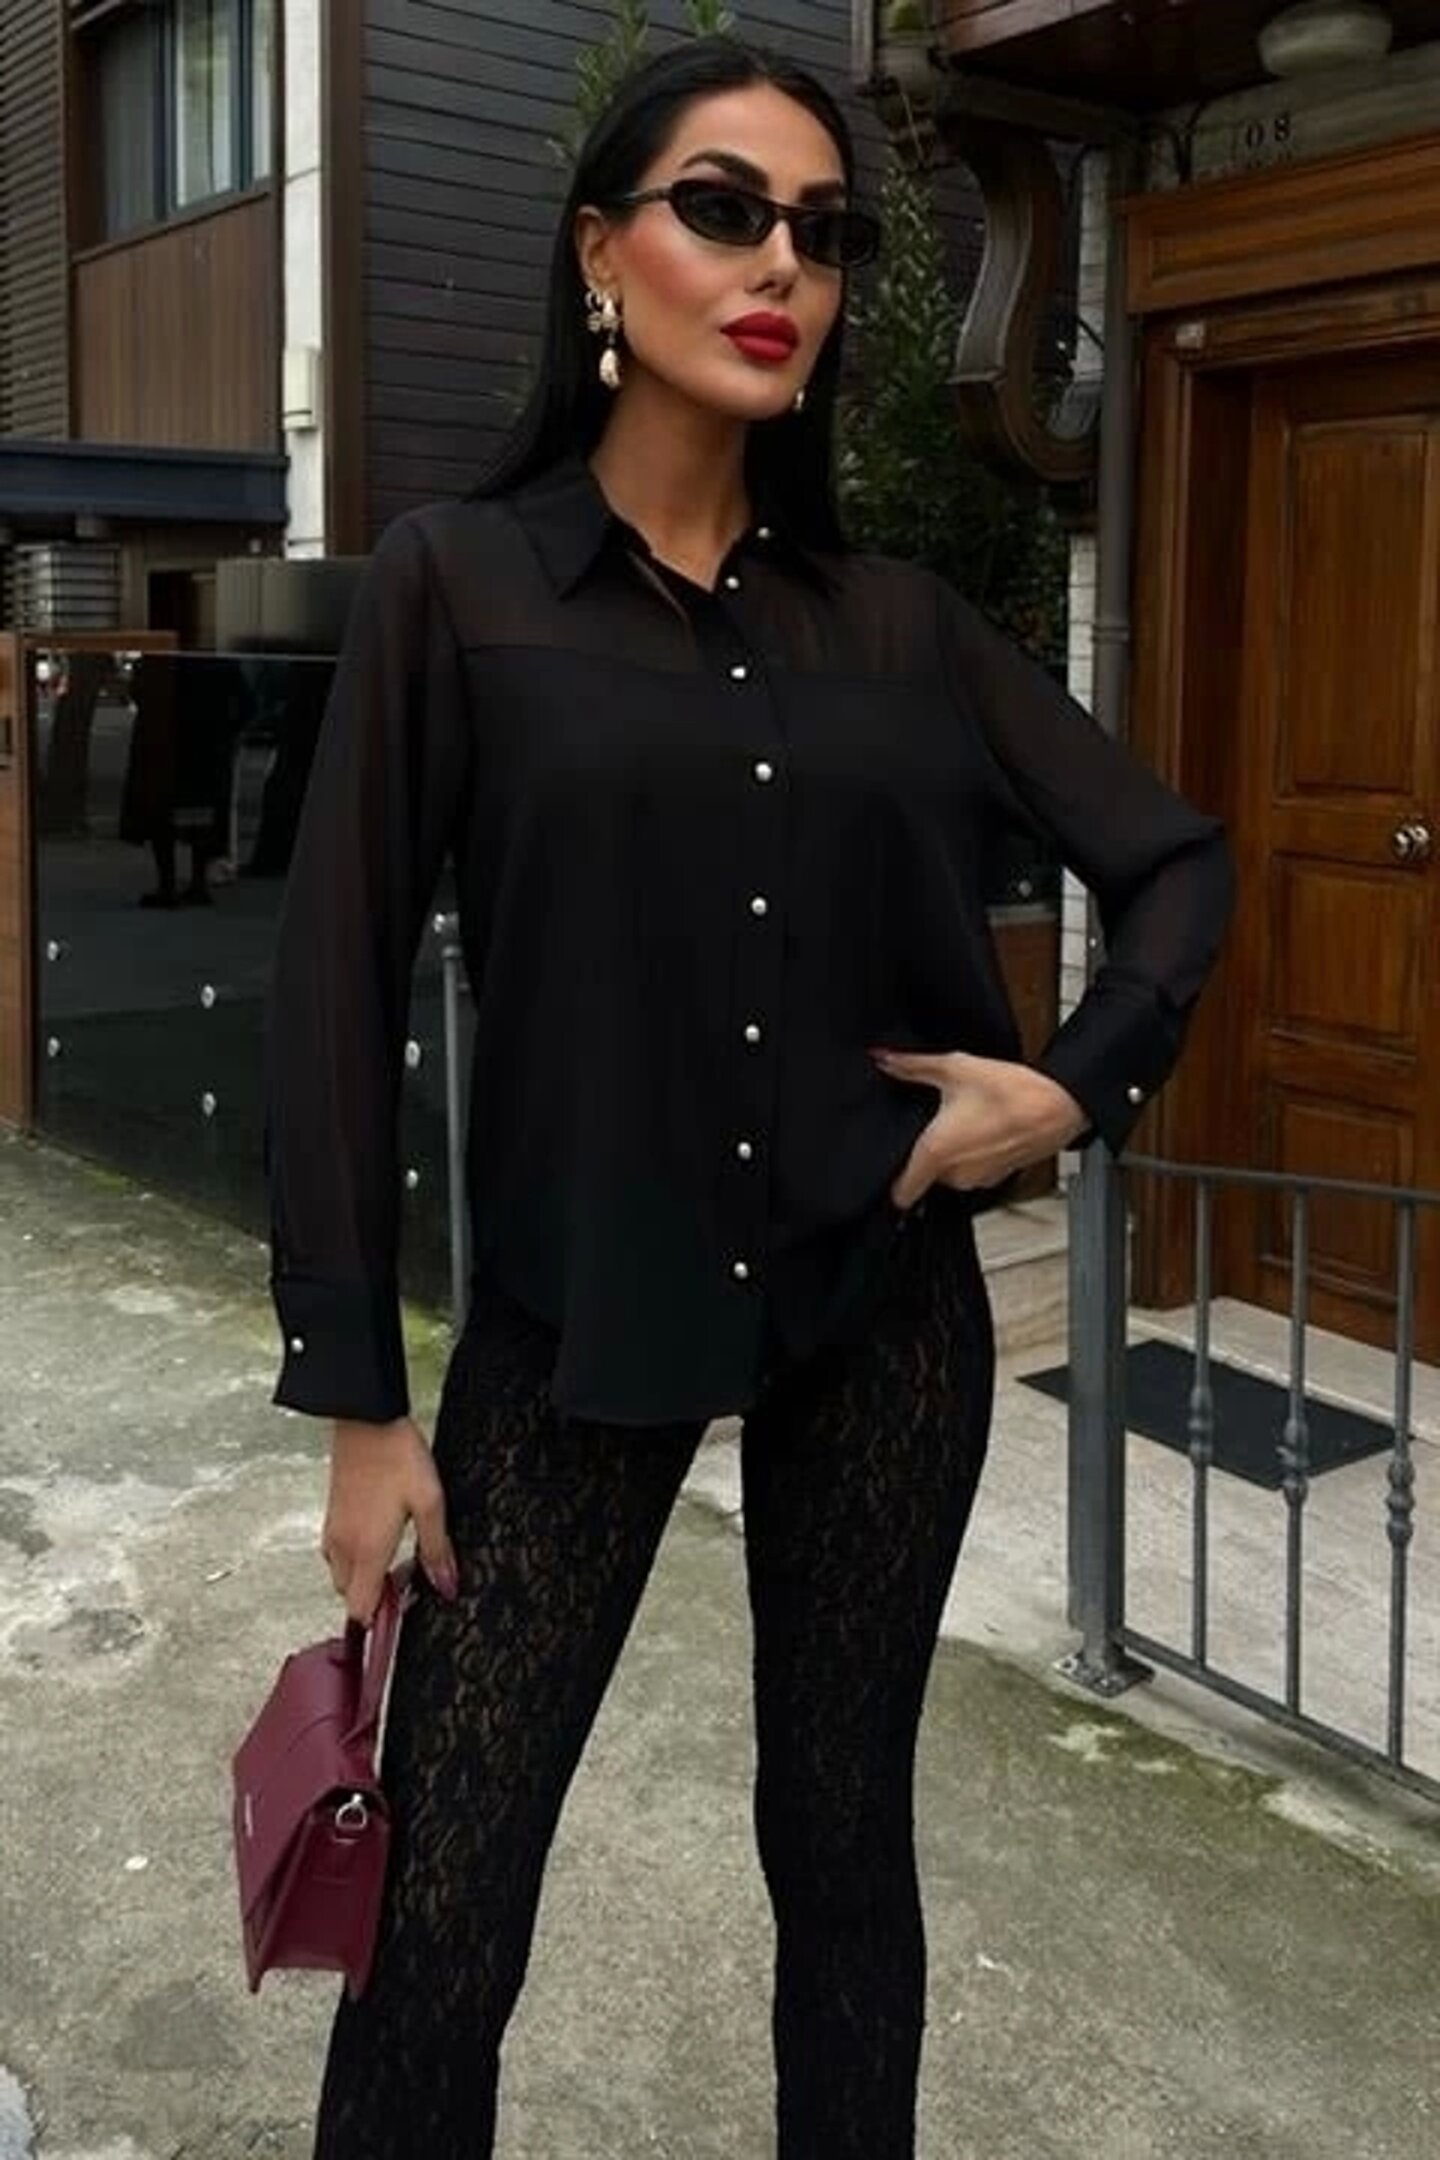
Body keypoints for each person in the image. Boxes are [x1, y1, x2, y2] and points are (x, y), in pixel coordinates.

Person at [263, 35, 1233, 2158]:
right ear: (601, 253)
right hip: (575, 1316)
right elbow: (331, 986)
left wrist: (1070, 1091)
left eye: (823, 229)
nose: (782, 261)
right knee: (446, 1901)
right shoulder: (457, 583)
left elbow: (1177, 861)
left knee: (843, 1845)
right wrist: (357, 1402)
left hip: (880, 1317)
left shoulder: (901, 626)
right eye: (724, 208)